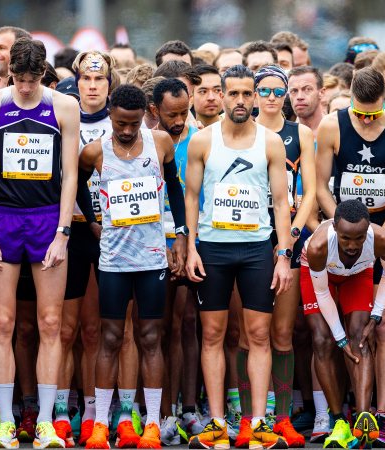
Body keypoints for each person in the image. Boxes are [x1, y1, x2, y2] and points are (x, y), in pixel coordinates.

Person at [0, 37, 79, 449]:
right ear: (9, 73)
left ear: (44, 75)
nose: (28, 87)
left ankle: (47, 422)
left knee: (50, 323)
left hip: (47, 217)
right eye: (20, 79)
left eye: (34, 80)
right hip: (2, 217)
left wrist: (63, 232)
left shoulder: (62, 107)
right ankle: (5, 425)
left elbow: (70, 174)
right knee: (2, 323)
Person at [184, 64, 291, 450]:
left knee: (259, 335)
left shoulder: (271, 142)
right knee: (212, 334)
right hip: (212, 248)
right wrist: (191, 246)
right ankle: (216, 423)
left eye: (250, 94)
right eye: (235, 94)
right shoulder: (203, 141)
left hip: (257, 249)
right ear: (222, 96)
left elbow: (281, 202)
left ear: (257, 96)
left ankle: (259, 422)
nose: (242, 101)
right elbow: (191, 198)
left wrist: (283, 255)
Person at [77, 83, 186, 450]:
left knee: (151, 337)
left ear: (145, 117)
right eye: (121, 123)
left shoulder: (160, 144)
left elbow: (174, 187)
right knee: (110, 338)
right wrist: (93, 221)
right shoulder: (95, 152)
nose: (126, 130)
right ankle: (99, 427)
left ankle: (152, 423)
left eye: (133, 123)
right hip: (113, 258)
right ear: (110, 115)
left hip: (152, 256)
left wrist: (182, 233)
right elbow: (77, 185)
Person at [316, 67, 385, 447]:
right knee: (347, 327)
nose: (366, 121)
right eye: (360, 114)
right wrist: (340, 226)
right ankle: (352, 411)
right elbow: (321, 184)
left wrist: (381, 233)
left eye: (373, 115)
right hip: (344, 232)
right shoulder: (331, 125)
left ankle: (384, 414)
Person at [248, 65, 316, 448]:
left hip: (288, 239)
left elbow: (308, 192)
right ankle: (252, 414)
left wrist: (290, 234)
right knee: (250, 334)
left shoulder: (300, 133)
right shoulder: (242, 132)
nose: (272, 98)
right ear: (254, 94)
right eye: (265, 91)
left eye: (279, 91)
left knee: (283, 335)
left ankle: (284, 415)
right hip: (248, 240)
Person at [300, 199, 385, 449]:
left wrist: (376, 315)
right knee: (323, 340)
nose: (353, 245)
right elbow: (322, 294)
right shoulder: (319, 245)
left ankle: (363, 418)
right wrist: (339, 337)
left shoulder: (383, 239)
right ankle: (337, 421)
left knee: (361, 338)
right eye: (346, 238)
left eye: (359, 238)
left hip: (357, 274)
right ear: (334, 227)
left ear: (368, 230)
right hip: (321, 274)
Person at [54, 51, 115, 448]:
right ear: (76, 81)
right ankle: (60, 411)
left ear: (110, 83)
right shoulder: (62, 116)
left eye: (100, 80)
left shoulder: (125, 121)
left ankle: (94, 410)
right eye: (86, 80)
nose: (92, 86)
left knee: (96, 330)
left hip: (111, 231)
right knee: (64, 328)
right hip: (71, 229)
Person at [148, 77, 201, 445]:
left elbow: (198, 195)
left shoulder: (199, 139)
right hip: (152, 244)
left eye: (184, 112)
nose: (180, 120)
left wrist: (187, 241)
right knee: (160, 328)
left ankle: (190, 408)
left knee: (189, 325)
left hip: (190, 242)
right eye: (172, 114)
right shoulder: (145, 139)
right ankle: (162, 411)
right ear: (154, 110)